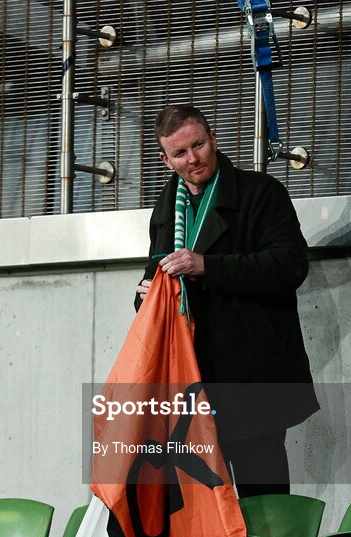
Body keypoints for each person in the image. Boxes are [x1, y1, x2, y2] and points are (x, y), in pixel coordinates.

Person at [134, 104, 318, 498]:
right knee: (205, 503)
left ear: (213, 139)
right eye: (180, 153)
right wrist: (148, 299)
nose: (193, 158)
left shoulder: (261, 192)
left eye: (198, 145)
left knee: (262, 496)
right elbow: (155, 274)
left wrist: (206, 266)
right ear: (165, 160)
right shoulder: (166, 211)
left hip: (253, 374)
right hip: (194, 377)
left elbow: (289, 266)